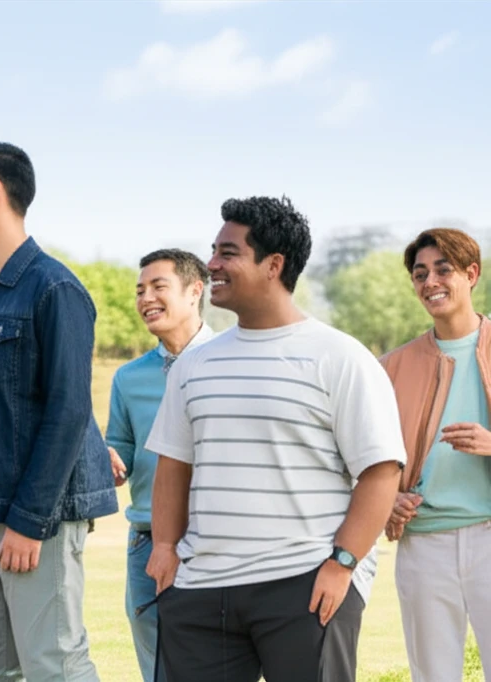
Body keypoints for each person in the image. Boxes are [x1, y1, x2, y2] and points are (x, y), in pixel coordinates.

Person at [144, 196, 406, 682]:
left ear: (274, 265)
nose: (212, 264)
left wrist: (343, 564)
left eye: (228, 252)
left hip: (305, 582)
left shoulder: (340, 357)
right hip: (201, 587)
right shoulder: (194, 365)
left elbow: (380, 470)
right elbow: (174, 464)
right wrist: (163, 547)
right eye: (213, 251)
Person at [0, 141, 118, 681]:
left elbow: (67, 413)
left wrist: (27, 521)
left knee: (55, 666)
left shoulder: (55, 288)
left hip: (35, 519)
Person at [380, 228, 491, 681]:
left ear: (472, 274)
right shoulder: (391, 367)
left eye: (443, 269)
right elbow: (360, 460)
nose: (430, 282)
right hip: (423, 544)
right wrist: (385, 500)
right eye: (420, 273)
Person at [104, 248, 213, 681]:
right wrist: (106, 462)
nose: (145, 297)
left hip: (217, 538)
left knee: (219, 661)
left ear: (195, 291)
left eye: (158, 286)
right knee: (157, 666)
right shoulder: (128, 378)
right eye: (140, 290)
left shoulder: (231, 358)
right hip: (147, 543)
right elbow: (121, 455)